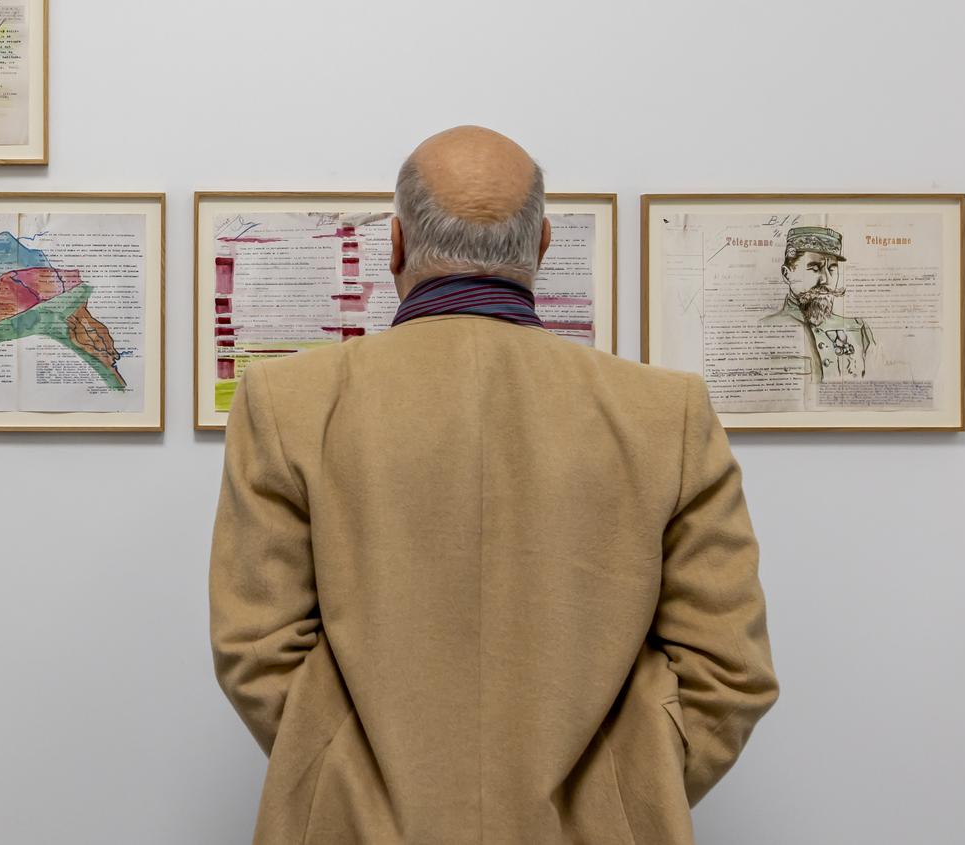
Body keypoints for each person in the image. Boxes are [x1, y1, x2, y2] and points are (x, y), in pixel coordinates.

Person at [209, 126, 777, 844]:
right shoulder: (666, 413)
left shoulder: (286, 401)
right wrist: (621, 791)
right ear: (542, 247)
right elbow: (729, 670)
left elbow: (255, 649)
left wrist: (352, 787)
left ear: (394, 245)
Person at [761, 225, 875, 381]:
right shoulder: (765, 329)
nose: (826, 279)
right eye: (815, 268)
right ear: (787, 274)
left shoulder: (858, 329)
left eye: (832, 268)